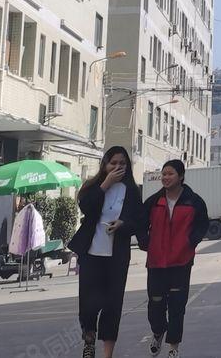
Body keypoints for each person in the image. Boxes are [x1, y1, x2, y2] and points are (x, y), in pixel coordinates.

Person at [70, 147, 145, 358]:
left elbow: (139, 221)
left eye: (122, 163)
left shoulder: (131, 191)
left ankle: (107, 353)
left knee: (113, 304)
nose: (118, 167)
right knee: (88, 304)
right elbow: (86, 207)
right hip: (92, 253)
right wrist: (105, 184)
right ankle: (89, 343)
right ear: (105, 164)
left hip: (117, 256)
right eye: (113, 163)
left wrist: (123, 224)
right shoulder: (93, 187)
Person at [141, 159, 208, 358]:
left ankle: (173, 348)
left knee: (177, 307)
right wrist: (146, 243)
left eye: (170, 174)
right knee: (155, 305)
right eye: (164, 174)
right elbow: (139, 223)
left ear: (181, 176)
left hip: (181, 262)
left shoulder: (194, 201)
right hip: (156, 263)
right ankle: (158, 332)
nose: (166, 177)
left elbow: (202, 225)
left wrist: (190, 242)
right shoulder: (154, 202)